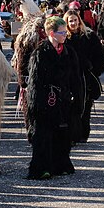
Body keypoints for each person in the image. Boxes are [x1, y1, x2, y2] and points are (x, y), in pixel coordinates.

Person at [26, 16, 83, 180]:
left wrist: (77, 99)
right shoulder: (40, 53)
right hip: (45, 100)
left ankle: (61, 164)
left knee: (63, 134)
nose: (65, 34)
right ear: (51, 33)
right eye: (62, 32)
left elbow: (75, 78)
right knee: (43, 136)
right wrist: (35, 106)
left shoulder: (69, 52)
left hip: (64, 99)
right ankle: (42, 167)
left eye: (65, 32)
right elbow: (34, 83)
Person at [64, 10, 104, 142]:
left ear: (79, 21)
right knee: (71, 107)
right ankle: (72, 134)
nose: (73, 23)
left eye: (75, 20)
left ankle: (83, 133)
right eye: (70, 21)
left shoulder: (89, 36)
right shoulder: (64, 38)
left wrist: (93, 70)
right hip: (69, 79)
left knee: (86, 106)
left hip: (86, 78)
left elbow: (100, 57)